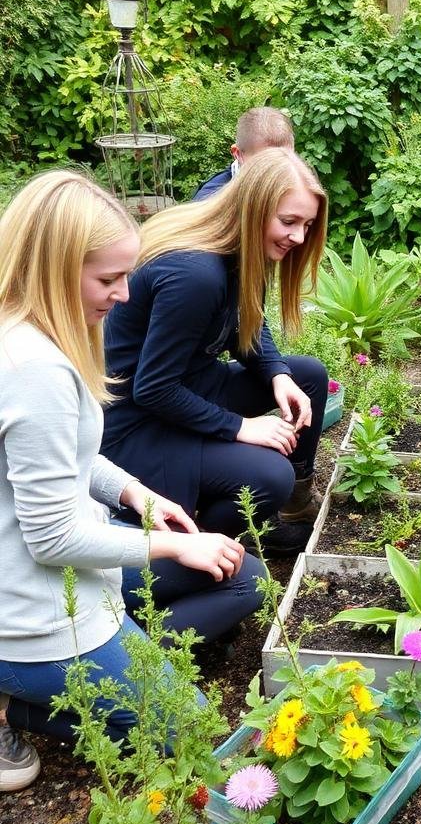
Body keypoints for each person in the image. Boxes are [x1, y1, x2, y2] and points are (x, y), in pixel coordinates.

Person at [0, 171, 253, 789]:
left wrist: (136, 494)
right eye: (108, 279)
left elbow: (71, 454)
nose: (124, 294)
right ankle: (25, 702)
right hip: (34, 616)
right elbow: (52, 539)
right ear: (54, 270)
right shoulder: (33, 368)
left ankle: (113, 665)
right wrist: (171, 545)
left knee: (242, 576)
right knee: (195, 734)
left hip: (59, 576)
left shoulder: (35, 334)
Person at [102, 148, 329, 557]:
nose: (298, 237)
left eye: (307, 225)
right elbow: (152, 389)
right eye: (288, 221)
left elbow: (246, 322)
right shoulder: (196, 275)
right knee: (270, 476)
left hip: (188, 385)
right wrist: (240, 427)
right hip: (137, 426)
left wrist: (277, 374)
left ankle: (281, 509)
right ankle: (199, 544)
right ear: (253, 208)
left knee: (307, 377)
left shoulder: (240, 250)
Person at [193, 106, 294, 200]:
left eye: (284, 159)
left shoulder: (298, 185)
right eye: (265, 163)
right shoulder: (210, 200)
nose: (276, 170)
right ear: (238, 154)